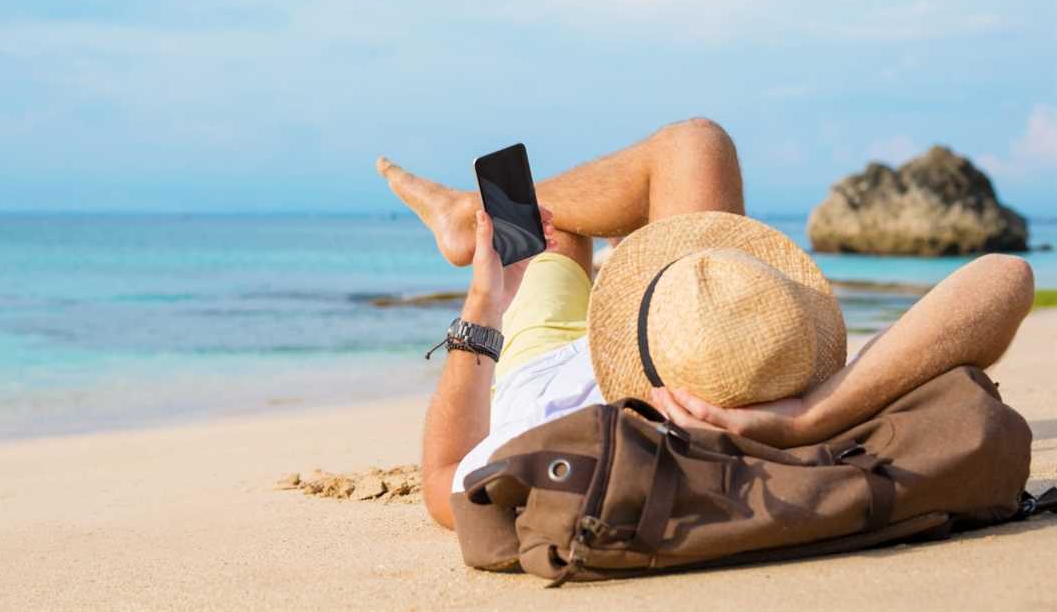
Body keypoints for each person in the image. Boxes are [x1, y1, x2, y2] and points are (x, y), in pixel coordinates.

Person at [376, 118, 1035, 530]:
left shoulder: (560, 449)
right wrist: (804, 416)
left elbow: (442, 475)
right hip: (680, 324)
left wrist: (482, 304)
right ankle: (476, 214)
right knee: (697, 145)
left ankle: (471, 218)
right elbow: (1009, 277)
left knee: (556, 238)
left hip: (554, 360)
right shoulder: (769, 382)